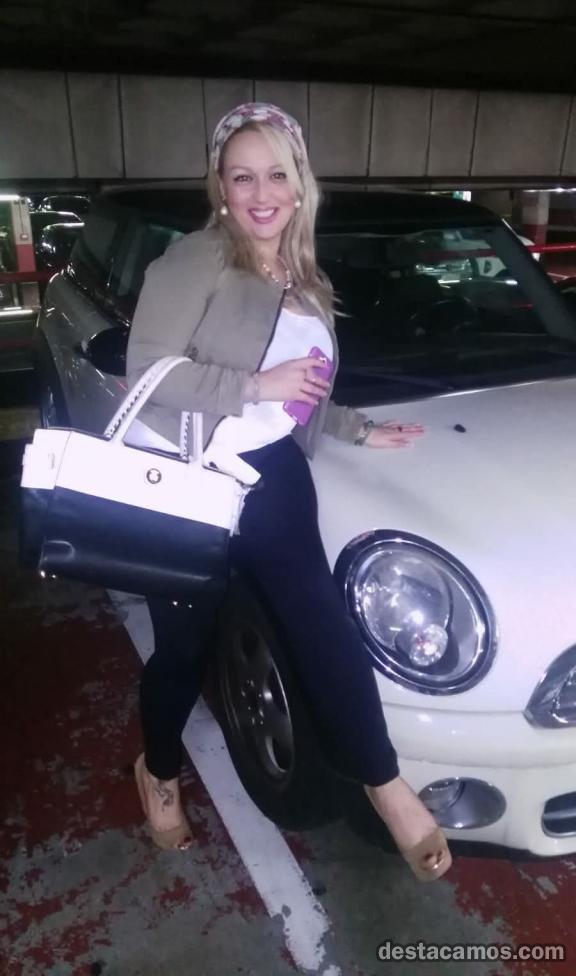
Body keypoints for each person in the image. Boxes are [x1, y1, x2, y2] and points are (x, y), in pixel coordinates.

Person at [127, 102, 452, 882]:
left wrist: (354, 428)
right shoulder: (196, 261)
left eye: (277, 174)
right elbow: (150, 373)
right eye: (242, 177)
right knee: (184, 648)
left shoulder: (307, 278)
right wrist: (252, 384)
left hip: (271, 473)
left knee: (320, 622)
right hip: (188, 477)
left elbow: (300, 391)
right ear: (220, 186)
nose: (261, 193)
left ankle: (385, 783)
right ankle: (159, 768)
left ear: (301, 183)